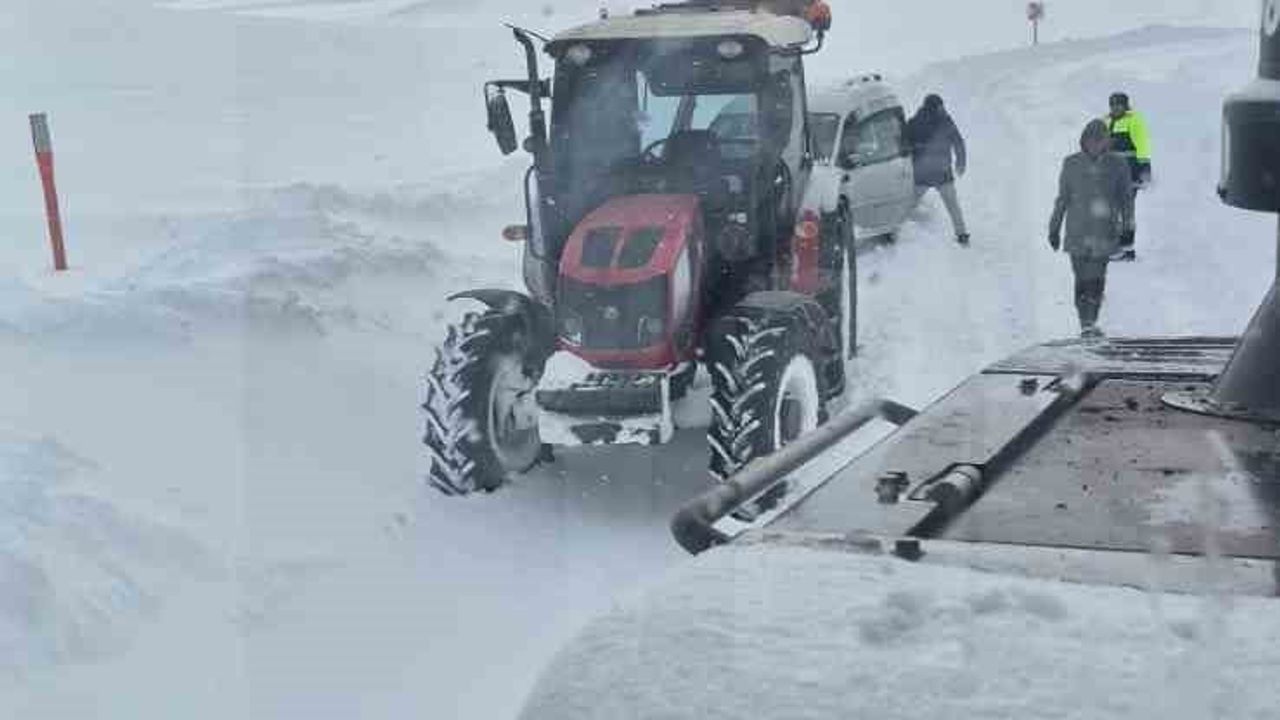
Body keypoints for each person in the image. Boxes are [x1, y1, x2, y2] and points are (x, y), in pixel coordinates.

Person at [1048, 119, 1134, 339]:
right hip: (1077, 231)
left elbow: (1126, 199)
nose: (1095, 145)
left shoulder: (1118, 165)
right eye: (1091, 140)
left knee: (1096, 278)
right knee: (1080, 278)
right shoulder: (1071, 163)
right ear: (1084, 141)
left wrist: (1128, 226)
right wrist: (1054, 228)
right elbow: (1062, 199)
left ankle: (1090, 321)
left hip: (1104, 232)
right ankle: (1085, 322)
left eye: (1100, 141)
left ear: (1106, 142)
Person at [906, 93, 970, 246]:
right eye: (940, 106)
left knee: (908, 206)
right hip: (942, 173)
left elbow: (905, 145)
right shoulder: (945, 121)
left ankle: (897, 232)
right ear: (934, 107)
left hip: (922, 174)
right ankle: (961, 235)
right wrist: (960, 163)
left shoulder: (914, 122)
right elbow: (958, 142)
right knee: (953, 206)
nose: (942, 109)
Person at [1105, 91, 1151, 261]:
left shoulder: (1134, 120)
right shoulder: (1106, 121)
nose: (1116, 107)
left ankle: (1126, 249)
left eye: (1119, 104)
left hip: (1130, 173)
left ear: (1125, 105)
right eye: (1113, 104)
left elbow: (1143, 144)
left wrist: (1145, 168)